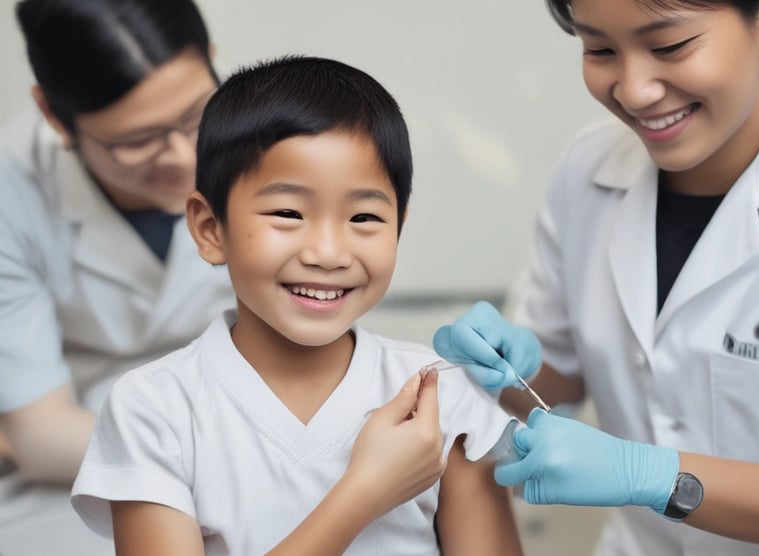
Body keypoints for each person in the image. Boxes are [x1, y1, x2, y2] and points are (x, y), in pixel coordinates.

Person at [70, 56, 525, 555]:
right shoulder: (154, 409)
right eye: (288, 213)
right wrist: (364, 493)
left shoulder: (438, 399)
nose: (328, 254)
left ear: (400, 224)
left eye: (365, 216)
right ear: (210, 228)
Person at [433, 0, 759, 554]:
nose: (634, 90)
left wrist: (655, 476)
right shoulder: (588, 173)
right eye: (600, 49)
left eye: (669, 47)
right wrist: (509, 366)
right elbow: (558, 380)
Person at [0, 1, 235, 553]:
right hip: (82, 463)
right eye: (136, 140)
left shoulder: (277, 128)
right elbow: (40, 434)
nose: (182, 157)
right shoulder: (11, 191)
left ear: (211, 62)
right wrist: (224, 462)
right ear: (54, 116)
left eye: (196, 114)